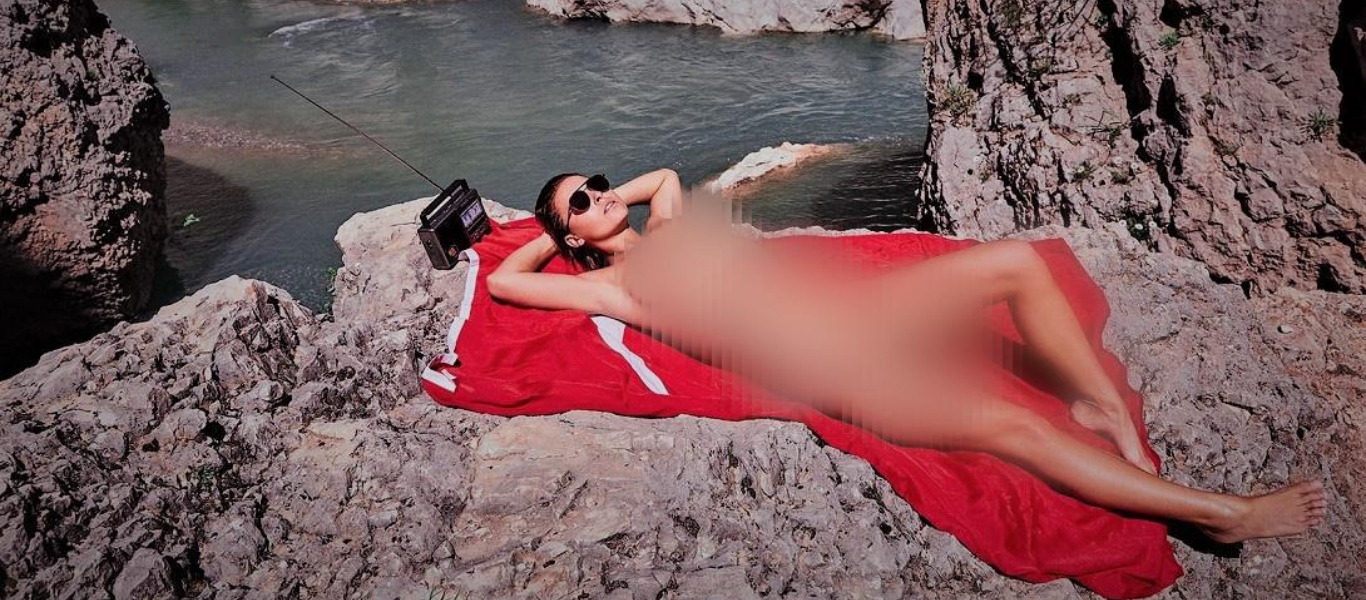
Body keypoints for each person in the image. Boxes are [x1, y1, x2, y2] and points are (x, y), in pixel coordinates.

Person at [485, 169, 1327, 544]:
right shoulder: (616, 289)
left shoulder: (669, 221)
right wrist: (544, 232)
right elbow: (507, 285)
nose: (604, 197)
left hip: (861, 308)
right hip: (837, 366)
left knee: (1017, 263)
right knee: (1014, 429)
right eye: (583, 201)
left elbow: (665, 175)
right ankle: (1220, 512)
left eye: (598, 183)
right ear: (573, 236)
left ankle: (1101, 406)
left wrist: (595, 203)